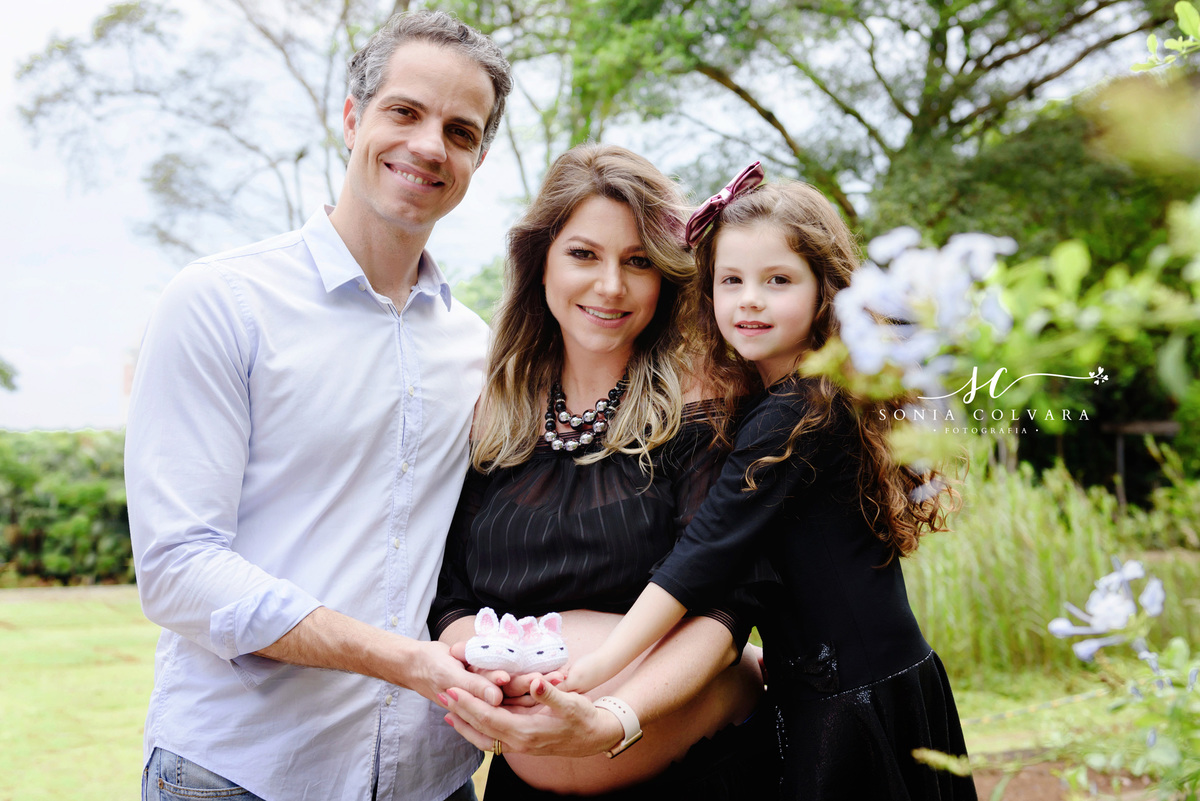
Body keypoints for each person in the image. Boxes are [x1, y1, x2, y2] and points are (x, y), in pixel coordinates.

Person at [125, 11, 513, 801]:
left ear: (477, 156)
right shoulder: (220, 302)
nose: (430, 146)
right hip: (239, 775)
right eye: (404, 112)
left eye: (460, 131)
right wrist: (401, 659)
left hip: (429, 782)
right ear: (350, 117)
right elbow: (177, 570)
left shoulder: (478, 350)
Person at [562, 166, 978, 799]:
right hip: (873, 679)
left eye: (777, 280)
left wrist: (600, 666)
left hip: (850, 705)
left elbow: (703, 554)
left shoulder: (797, 413)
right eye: (730, 281)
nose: (748, 300)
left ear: (826, 292)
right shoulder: (811, 395)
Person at [431, 143, 776, 799]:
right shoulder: (491, 417)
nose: (611, 285)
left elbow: (728, 611)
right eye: (584, 254)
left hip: (701, 778)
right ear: (540, 262)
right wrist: (484, 675)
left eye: (638, 261)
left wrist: (615, 717)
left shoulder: (699, 410)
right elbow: (449, 596)